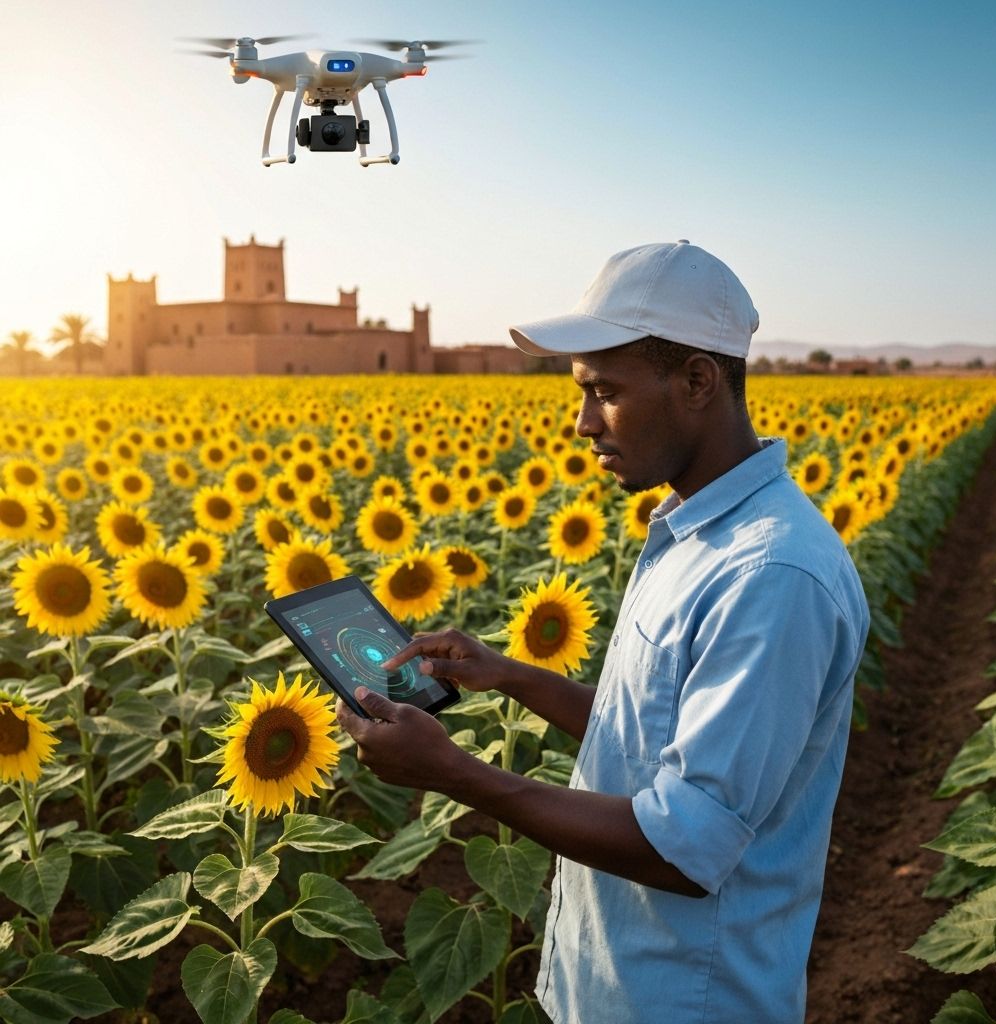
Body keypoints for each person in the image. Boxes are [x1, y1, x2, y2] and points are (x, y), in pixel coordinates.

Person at [337, 240, 870, 1023]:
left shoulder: (771, 576)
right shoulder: (697, 533)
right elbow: (659, 734)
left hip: (683, 1000)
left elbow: (682, 848)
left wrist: (456, 772)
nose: (583, 423)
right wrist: (515, 676)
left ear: (697, 380)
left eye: (605, 392)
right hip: (609, 983)